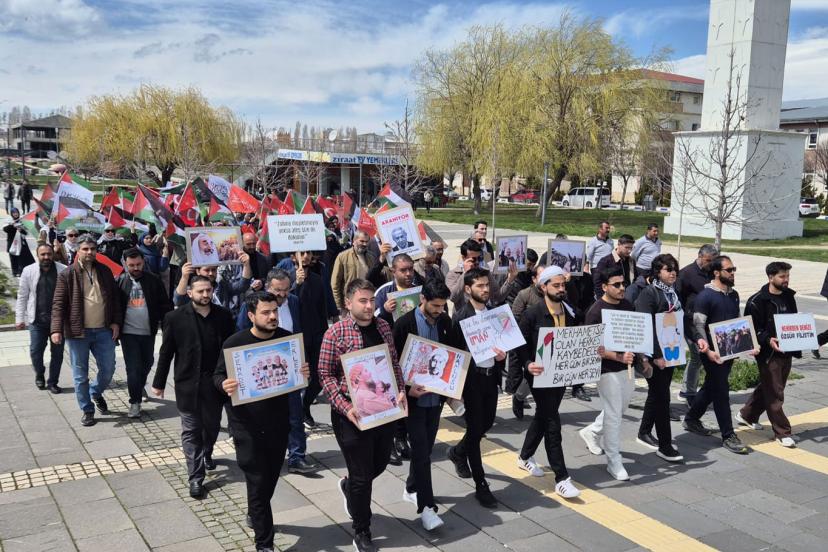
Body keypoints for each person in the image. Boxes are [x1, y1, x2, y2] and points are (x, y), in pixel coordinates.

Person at [215, 292, 311, 552]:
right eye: (265, 312)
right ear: (251, 316)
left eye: (274, 312)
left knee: (269, 478)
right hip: (247, 426)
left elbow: (298, 374)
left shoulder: (286, 340)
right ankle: (264, 543)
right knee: (257, 482)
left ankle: (254, 511)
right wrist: (224, 384)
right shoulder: (235, 344)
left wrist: (304, 373)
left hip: (278, 424)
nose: (272, 317)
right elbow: (217, 376)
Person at [318, 278, 407, 552]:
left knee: (378, 464)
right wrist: (346, 408)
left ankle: (348, 487)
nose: (369, 306)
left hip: (383, 410)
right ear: (348, 303)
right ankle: (362, 529)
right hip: (351, 414)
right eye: (363, 301)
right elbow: (325, 375)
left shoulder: (383, 327)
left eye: (371, 300)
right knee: (362, 476)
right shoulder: (336, 333)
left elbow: (393, 363)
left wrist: (401, 391)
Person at [152, 275, 236, 498]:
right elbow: (166, 352)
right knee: (191, 430)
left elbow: (232, 349)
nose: (205, 294)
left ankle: (207, 452)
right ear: (189, 293)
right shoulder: (174, 318)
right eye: (200, 291)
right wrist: (159, 382)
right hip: (187, 384)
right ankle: (196, 477)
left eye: (208, 290)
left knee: (212, 426)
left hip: (215, 384)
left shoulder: (224, 316)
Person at [236, 269, 318, 475]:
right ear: (267, 287)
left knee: (295, 414)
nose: (282, 294)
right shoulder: (253, 305)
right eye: (277, 290)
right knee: (265, 416)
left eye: (286, 289)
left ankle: (297, 456)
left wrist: (303, 358)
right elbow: (241, 332)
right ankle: (265, 455)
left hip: (289, 368)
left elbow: (301, 330)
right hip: (262, 369)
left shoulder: (294, 302)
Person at [513, 266, 580, 499]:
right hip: (539, 376)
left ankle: (524, 456)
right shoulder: (532, 314)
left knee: (543, 416)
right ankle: (562, 478)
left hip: (560, 375)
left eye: (563, 285)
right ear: (543, 287)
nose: (561, 289)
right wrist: (527, 363)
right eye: (556, 285)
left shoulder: (570, 312)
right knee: (552, 422)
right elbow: (519, 342)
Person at [391, 279, 451, 531]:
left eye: (442, 305)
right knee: (421, 451)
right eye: (435, 305)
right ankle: (427, 508)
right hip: (413, 401)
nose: (439, 310)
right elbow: (392, 364)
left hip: (435, 399)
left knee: (425, 449)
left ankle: (411, 487)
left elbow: (453, 355)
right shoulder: (403, 324)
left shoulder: (445, 322)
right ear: (422, 299)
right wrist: (406, 390)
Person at [446, 267, 507, 508]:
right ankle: (481, 485)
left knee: (486, 423)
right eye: (480, 286)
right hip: (471, 381)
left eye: (487, 285)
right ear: (468, 289)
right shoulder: (461, 317)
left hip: (490, 378)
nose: (485, 289)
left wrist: (502, 356)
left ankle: (458, 452)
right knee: (474, 429)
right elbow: (455, 353)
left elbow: (502, 343)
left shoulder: (494, 313)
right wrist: (456, 392)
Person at [683, 255, 754, 455]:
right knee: (721, 390)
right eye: (729, 270)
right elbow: (698, 326)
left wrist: (748, 344)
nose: (733, 273)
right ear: (716, 273)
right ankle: (728, 435)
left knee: (711, 386)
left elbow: (737, 322)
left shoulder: (734, 295)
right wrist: (708, 351)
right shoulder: (705, 296)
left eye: (734, 269)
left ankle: (691, 419)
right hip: (711, 353)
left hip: (729, 351)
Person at [50, 235, 122, 427]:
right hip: (77, 332)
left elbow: (115, 299)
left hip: (103, 330)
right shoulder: (67, 274)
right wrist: (56, 329)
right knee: (80, 375)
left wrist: (116, 322)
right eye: (85, 249)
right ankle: (87, 409)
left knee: (108, 369)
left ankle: (95, 392)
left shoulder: (105, 271)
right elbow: (58, 304)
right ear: (78, 250)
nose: (89, 252)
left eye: (92, 249)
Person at [579, 266, 638, 480]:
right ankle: (614, 461)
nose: (622, 288)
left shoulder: (628, 305)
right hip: (606, 370)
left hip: (628, 367)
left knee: (620, 408)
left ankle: (592, 431)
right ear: (604, 287)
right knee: (614, 415)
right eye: (617, 284)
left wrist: (642, 358)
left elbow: (634, 334)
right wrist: (618, 357)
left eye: (623, 284)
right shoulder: (595, 312)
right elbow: (592, 347)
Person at [739, 262, 800, 448]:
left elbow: (793, 321)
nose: (786, 280)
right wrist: (767, 339)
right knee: (775, 392)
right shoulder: (756, 301)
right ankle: (782, 432)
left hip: (787, 349)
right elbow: (751, 328)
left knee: (771, 386)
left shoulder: (789, 296)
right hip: (768, 353)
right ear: (770, 277)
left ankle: (747, 415)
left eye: (787, 276)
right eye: (782, 276)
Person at [633, 254, 685, 463]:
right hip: (655, 357)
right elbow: (645, 326)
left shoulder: (672, 292)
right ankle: (665, 445)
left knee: (656, 394)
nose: (673, 273)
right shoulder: (649, 293)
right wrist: (655, 356)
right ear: (657, 272)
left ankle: (644, 431)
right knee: (663, 398)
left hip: (671, 352)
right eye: (668, 269)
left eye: (675, 269)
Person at [118, 248, 172, 418]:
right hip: (128, 333)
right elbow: (113, 306)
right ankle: (135, 402)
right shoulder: (120, 281)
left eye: (138, 264)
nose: (136, 268)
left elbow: (164, 305)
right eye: (131, 265)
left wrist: (167, 328)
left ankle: (138, 386)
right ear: (125, 264)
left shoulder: (153, 280)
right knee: (133, 368)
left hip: (148, 332)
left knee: (148, 362)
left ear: (143, 262)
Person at [15, 243, 66, 393]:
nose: (46, 257)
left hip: (58, 321)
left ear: (53, 255)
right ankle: (39, 373)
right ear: (37, 255)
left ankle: (53, 382)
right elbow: (22, 295)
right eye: (43, 254)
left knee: (57, 354)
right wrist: (19, 318)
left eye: (49, 254)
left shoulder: (63, 270)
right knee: (35, 351)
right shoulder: (28, 270)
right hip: (37, 320)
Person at [676, 244, 718, 403]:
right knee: (697, 356)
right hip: (691, 322)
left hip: (709, 321)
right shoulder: (686, 274)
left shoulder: (713, 273)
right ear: (700, 256)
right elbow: (678, 298)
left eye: (713, 261)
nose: (711, 264)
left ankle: (697, 390)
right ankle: (688, 392)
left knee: (705, 357)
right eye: (708, 260)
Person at [506, 264, 545, 420]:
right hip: (527, 341)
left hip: (547, 341)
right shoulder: (525, 294)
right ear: (534, 279)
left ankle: (544, 411)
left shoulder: (554, 294)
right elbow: (515, 317)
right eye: (542, 277)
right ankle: (519, 397)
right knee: (532, 374)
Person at [445, 238, 517, 311]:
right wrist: (465, 274)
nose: (477, 262)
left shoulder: (485, 272)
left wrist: (510, 279)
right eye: (473, 259)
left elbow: (498, 297)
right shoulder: (453, 274)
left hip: (482, 315)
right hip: (464, 316)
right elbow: (453, 298)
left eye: (479, 258)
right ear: (464, 258)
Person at [331, 230, 377, 316]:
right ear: (354, 241)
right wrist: (339, 306)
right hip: (350, 303)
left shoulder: (371, 257)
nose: (365, 244)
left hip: (367, 301)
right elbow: (335, 283)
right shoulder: (342, 257)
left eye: (367, 241)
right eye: (362, 241)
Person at [592, 234, 635, 299]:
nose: (629, 251)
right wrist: (603, 300)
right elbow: (597, 282)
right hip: (610, 298)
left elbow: (634, 278)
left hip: (626, 298)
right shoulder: (605, 261)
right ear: (619, 244)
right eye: (626, 247)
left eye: (631, 248)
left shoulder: (631, 261)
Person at [4, 207, 35, 276]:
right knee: (13, 257)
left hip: (21, 242)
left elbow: (26, 233)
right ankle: (15, 272)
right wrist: (12, 225)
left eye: (16, 212)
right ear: (11, 214)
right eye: (13, 213)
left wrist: (21, 230)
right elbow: (5, 229)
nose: (15, 214)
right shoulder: (9, 221)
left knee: (23, 257)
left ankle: (22, 271)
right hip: (12, 243)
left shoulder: (22, 221)